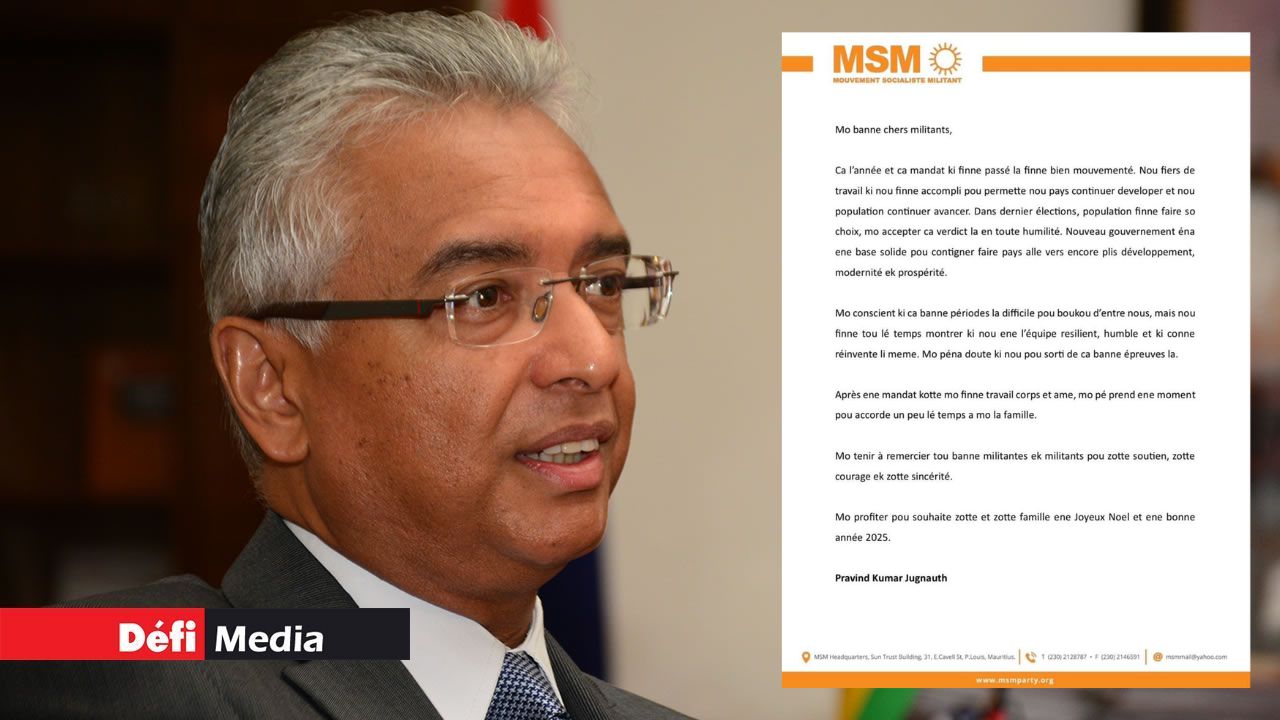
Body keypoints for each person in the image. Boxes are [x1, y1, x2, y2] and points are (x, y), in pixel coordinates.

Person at [0, 10, 684, 719]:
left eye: (604, 284)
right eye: (484, 297)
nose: (593, 358)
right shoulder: (103, 679)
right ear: (272, 386)